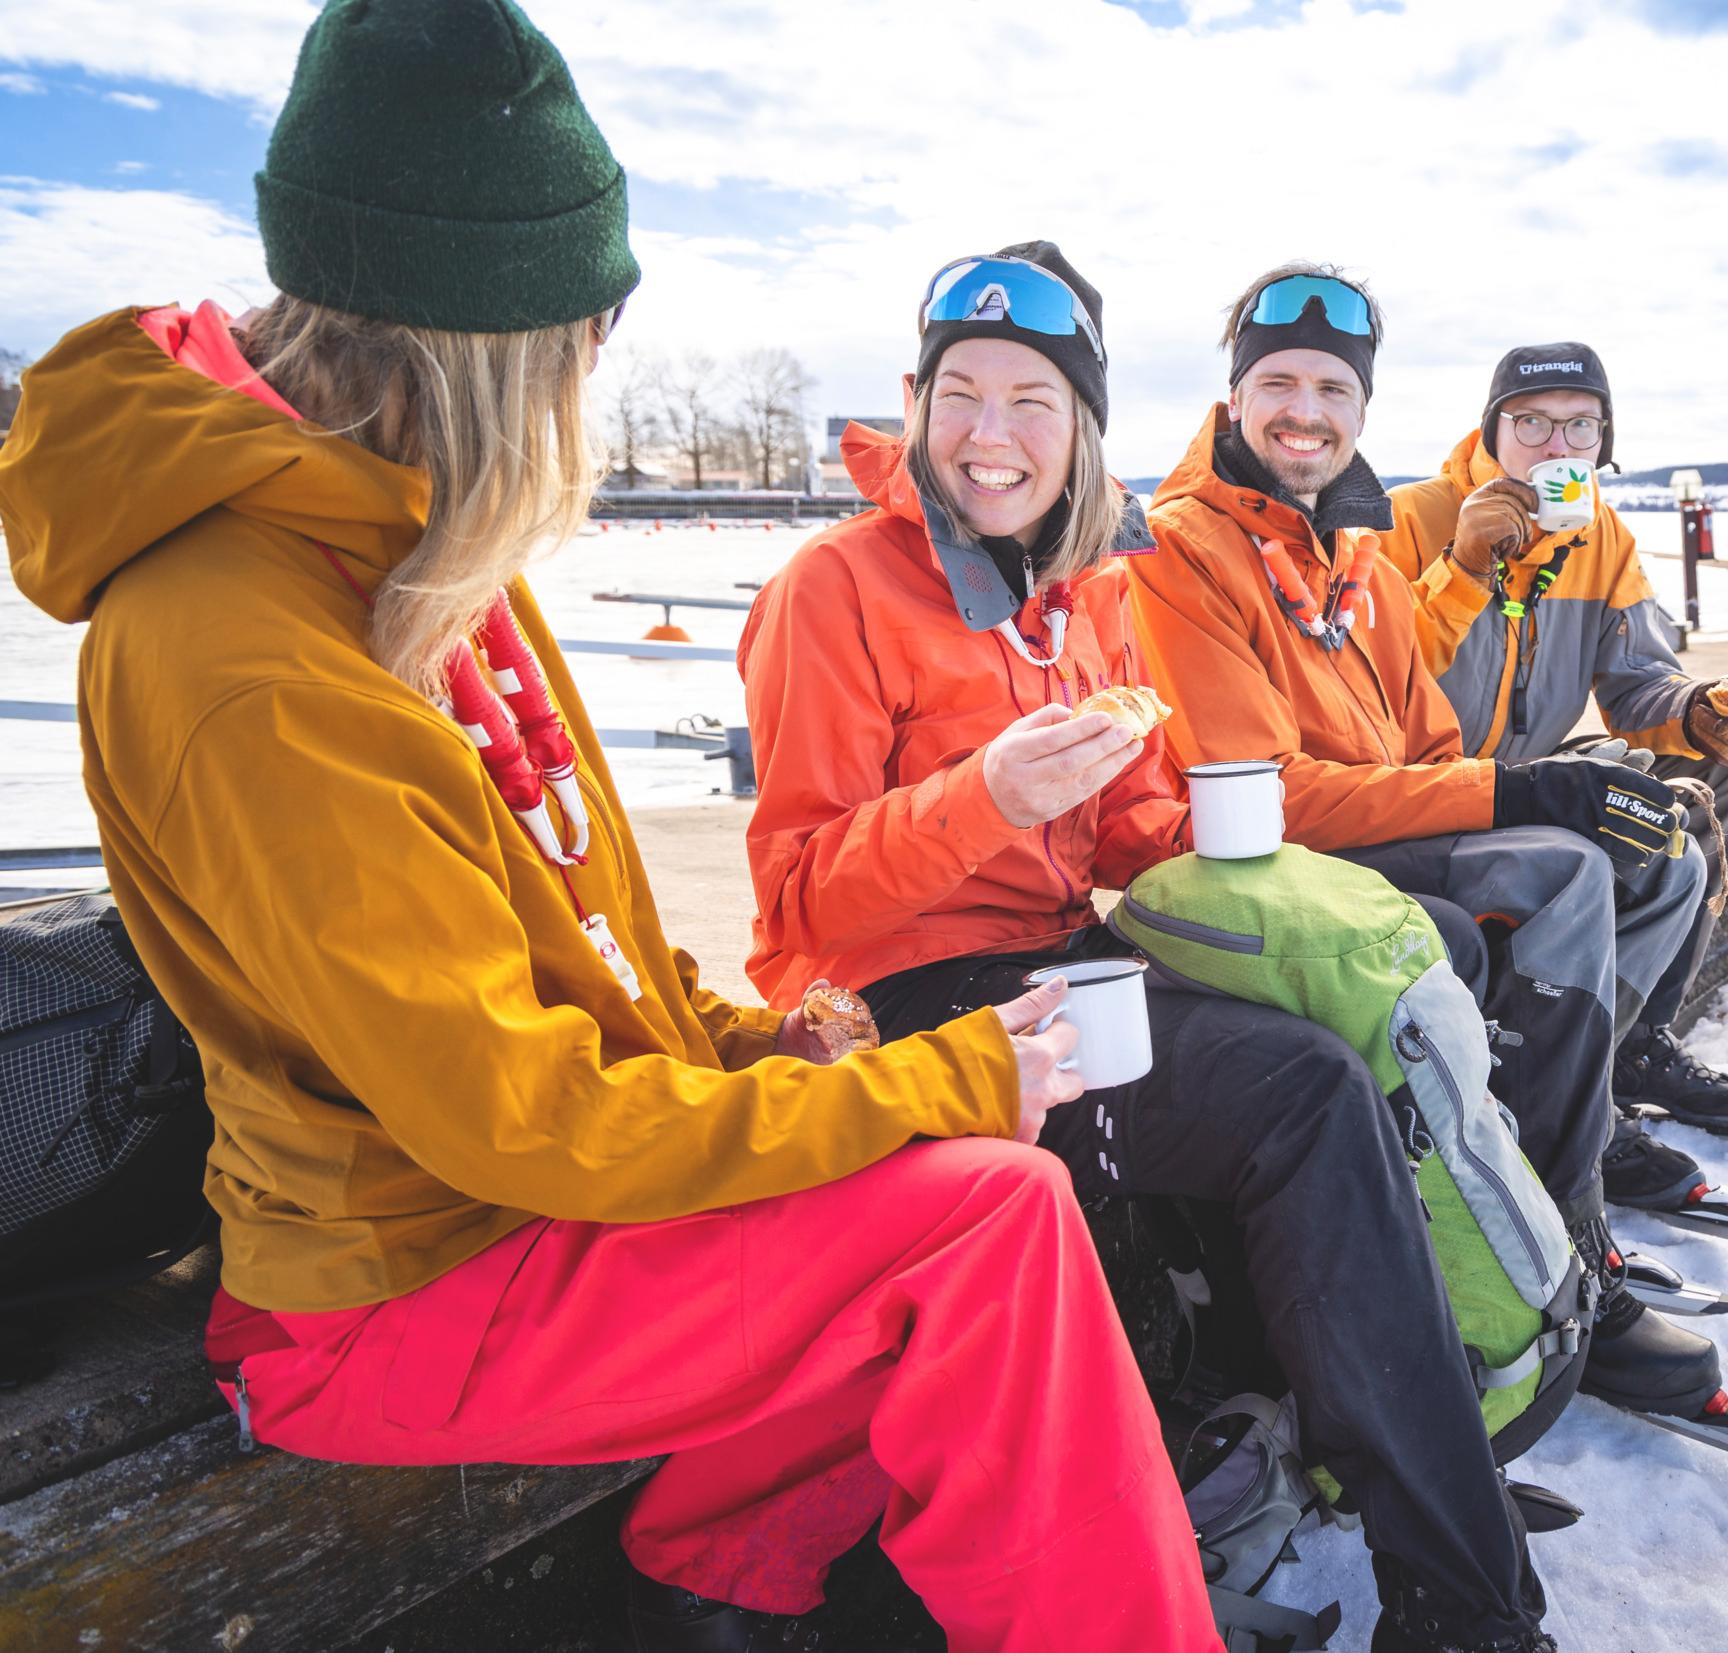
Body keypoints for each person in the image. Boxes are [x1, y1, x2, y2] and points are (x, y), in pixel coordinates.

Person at [0, 8, 1212, 1651]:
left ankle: (718, 1582)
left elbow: (602, 952)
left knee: (935, 1165)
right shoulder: (249, 656)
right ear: (486, 336)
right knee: (985, 1220)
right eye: (589, 327)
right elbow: (521, 1118)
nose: (594, 367)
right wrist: (930, 1075)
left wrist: (768, 1046)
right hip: (399, 1290)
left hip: (522, 1208)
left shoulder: (424, 549)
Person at [738, 241, 1558, 1653]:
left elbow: (1128, 839)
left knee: (1371, 1010)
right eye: (962, 396)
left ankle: (1407, 1436)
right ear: (920, 403)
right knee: (1296, 1095)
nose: (992, 437)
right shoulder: (836, 589)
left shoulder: (1093, 594)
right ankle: (1464, 1600)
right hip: (913, 1003)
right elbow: (801, 906)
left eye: (1033, 403)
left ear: (1084, 430)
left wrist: (1222, 832)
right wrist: (981, 798)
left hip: (1070, 956)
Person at [1125, 264, 1728, 1447]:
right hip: (1260, 875)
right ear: (1230, 401)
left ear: (1363, 410)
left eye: (1332, 387)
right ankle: (1561, 1245)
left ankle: (1562, 1191)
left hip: (1370, 834)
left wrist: (1630, 759)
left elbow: (1425, 739)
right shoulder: (1190, 547)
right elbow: (1254, 798)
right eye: (1276, 383)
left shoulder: (1358, 554)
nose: (1305, 410)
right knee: (1558, 873)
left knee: (1634, 840)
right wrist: (1521, 773)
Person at [1373, 343, 1728, 1160]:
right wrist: (1462, 564)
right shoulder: (1407, 519)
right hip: (1417, 787)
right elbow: (1370, 677)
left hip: (1523, 770)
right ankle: (1570, 1082)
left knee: (1720, 772)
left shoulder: (1601, 537)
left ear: (1604, 444)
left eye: (1581, 428)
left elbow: (1636, 685)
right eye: (1530, 423)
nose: (1556, 448)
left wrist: (1701, 715)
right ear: (1490, 431)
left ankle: (1635, 1040)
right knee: (1605, 844)